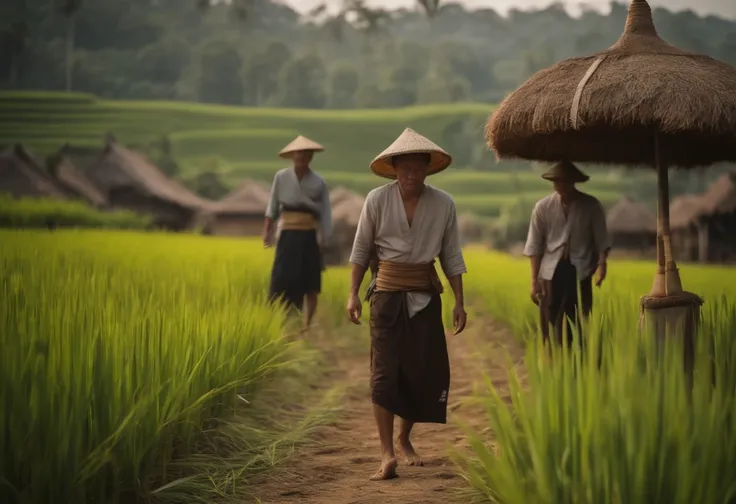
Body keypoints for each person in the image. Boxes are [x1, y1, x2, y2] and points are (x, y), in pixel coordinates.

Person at [346, 127, 467, 481]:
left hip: (426, 297)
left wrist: (460, 301)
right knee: (384, 376)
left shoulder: (443, 204)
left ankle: (404, 437)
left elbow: (452, 255)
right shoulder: (376, 200)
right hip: (385, 296)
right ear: (394, 169)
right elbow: (361, 249)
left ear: (428, 169)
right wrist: (353, 292)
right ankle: (386, 453)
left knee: (419, 373)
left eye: (418, 167)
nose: (412, 174)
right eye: (406, 168)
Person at [524, 160, 611, 346]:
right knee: (551, 317)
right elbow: (534, 246)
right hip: (551, 271)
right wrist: (534, 281)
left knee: (580, 316)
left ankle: (579, 358)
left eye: (566, 181)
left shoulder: (591, 206)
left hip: (581, 270)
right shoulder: (543, 207)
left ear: (574, 181)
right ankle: (553, 358)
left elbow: (602, 239)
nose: (561, 185)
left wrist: (602, 266)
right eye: (558, 181)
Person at [263, 135, 332, 330]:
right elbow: (272, 207)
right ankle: (280, 323)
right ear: (292, 156)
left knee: (310, 283)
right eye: (298, 153)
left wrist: (325, 238)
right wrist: (267, 231)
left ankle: (306, 326)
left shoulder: (319, 182)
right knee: (281, 279)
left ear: (311, 158)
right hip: (287, 235)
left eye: (306, 154)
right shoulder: (281, 177)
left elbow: (325, 212)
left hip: (309, 235)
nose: (301, 157)